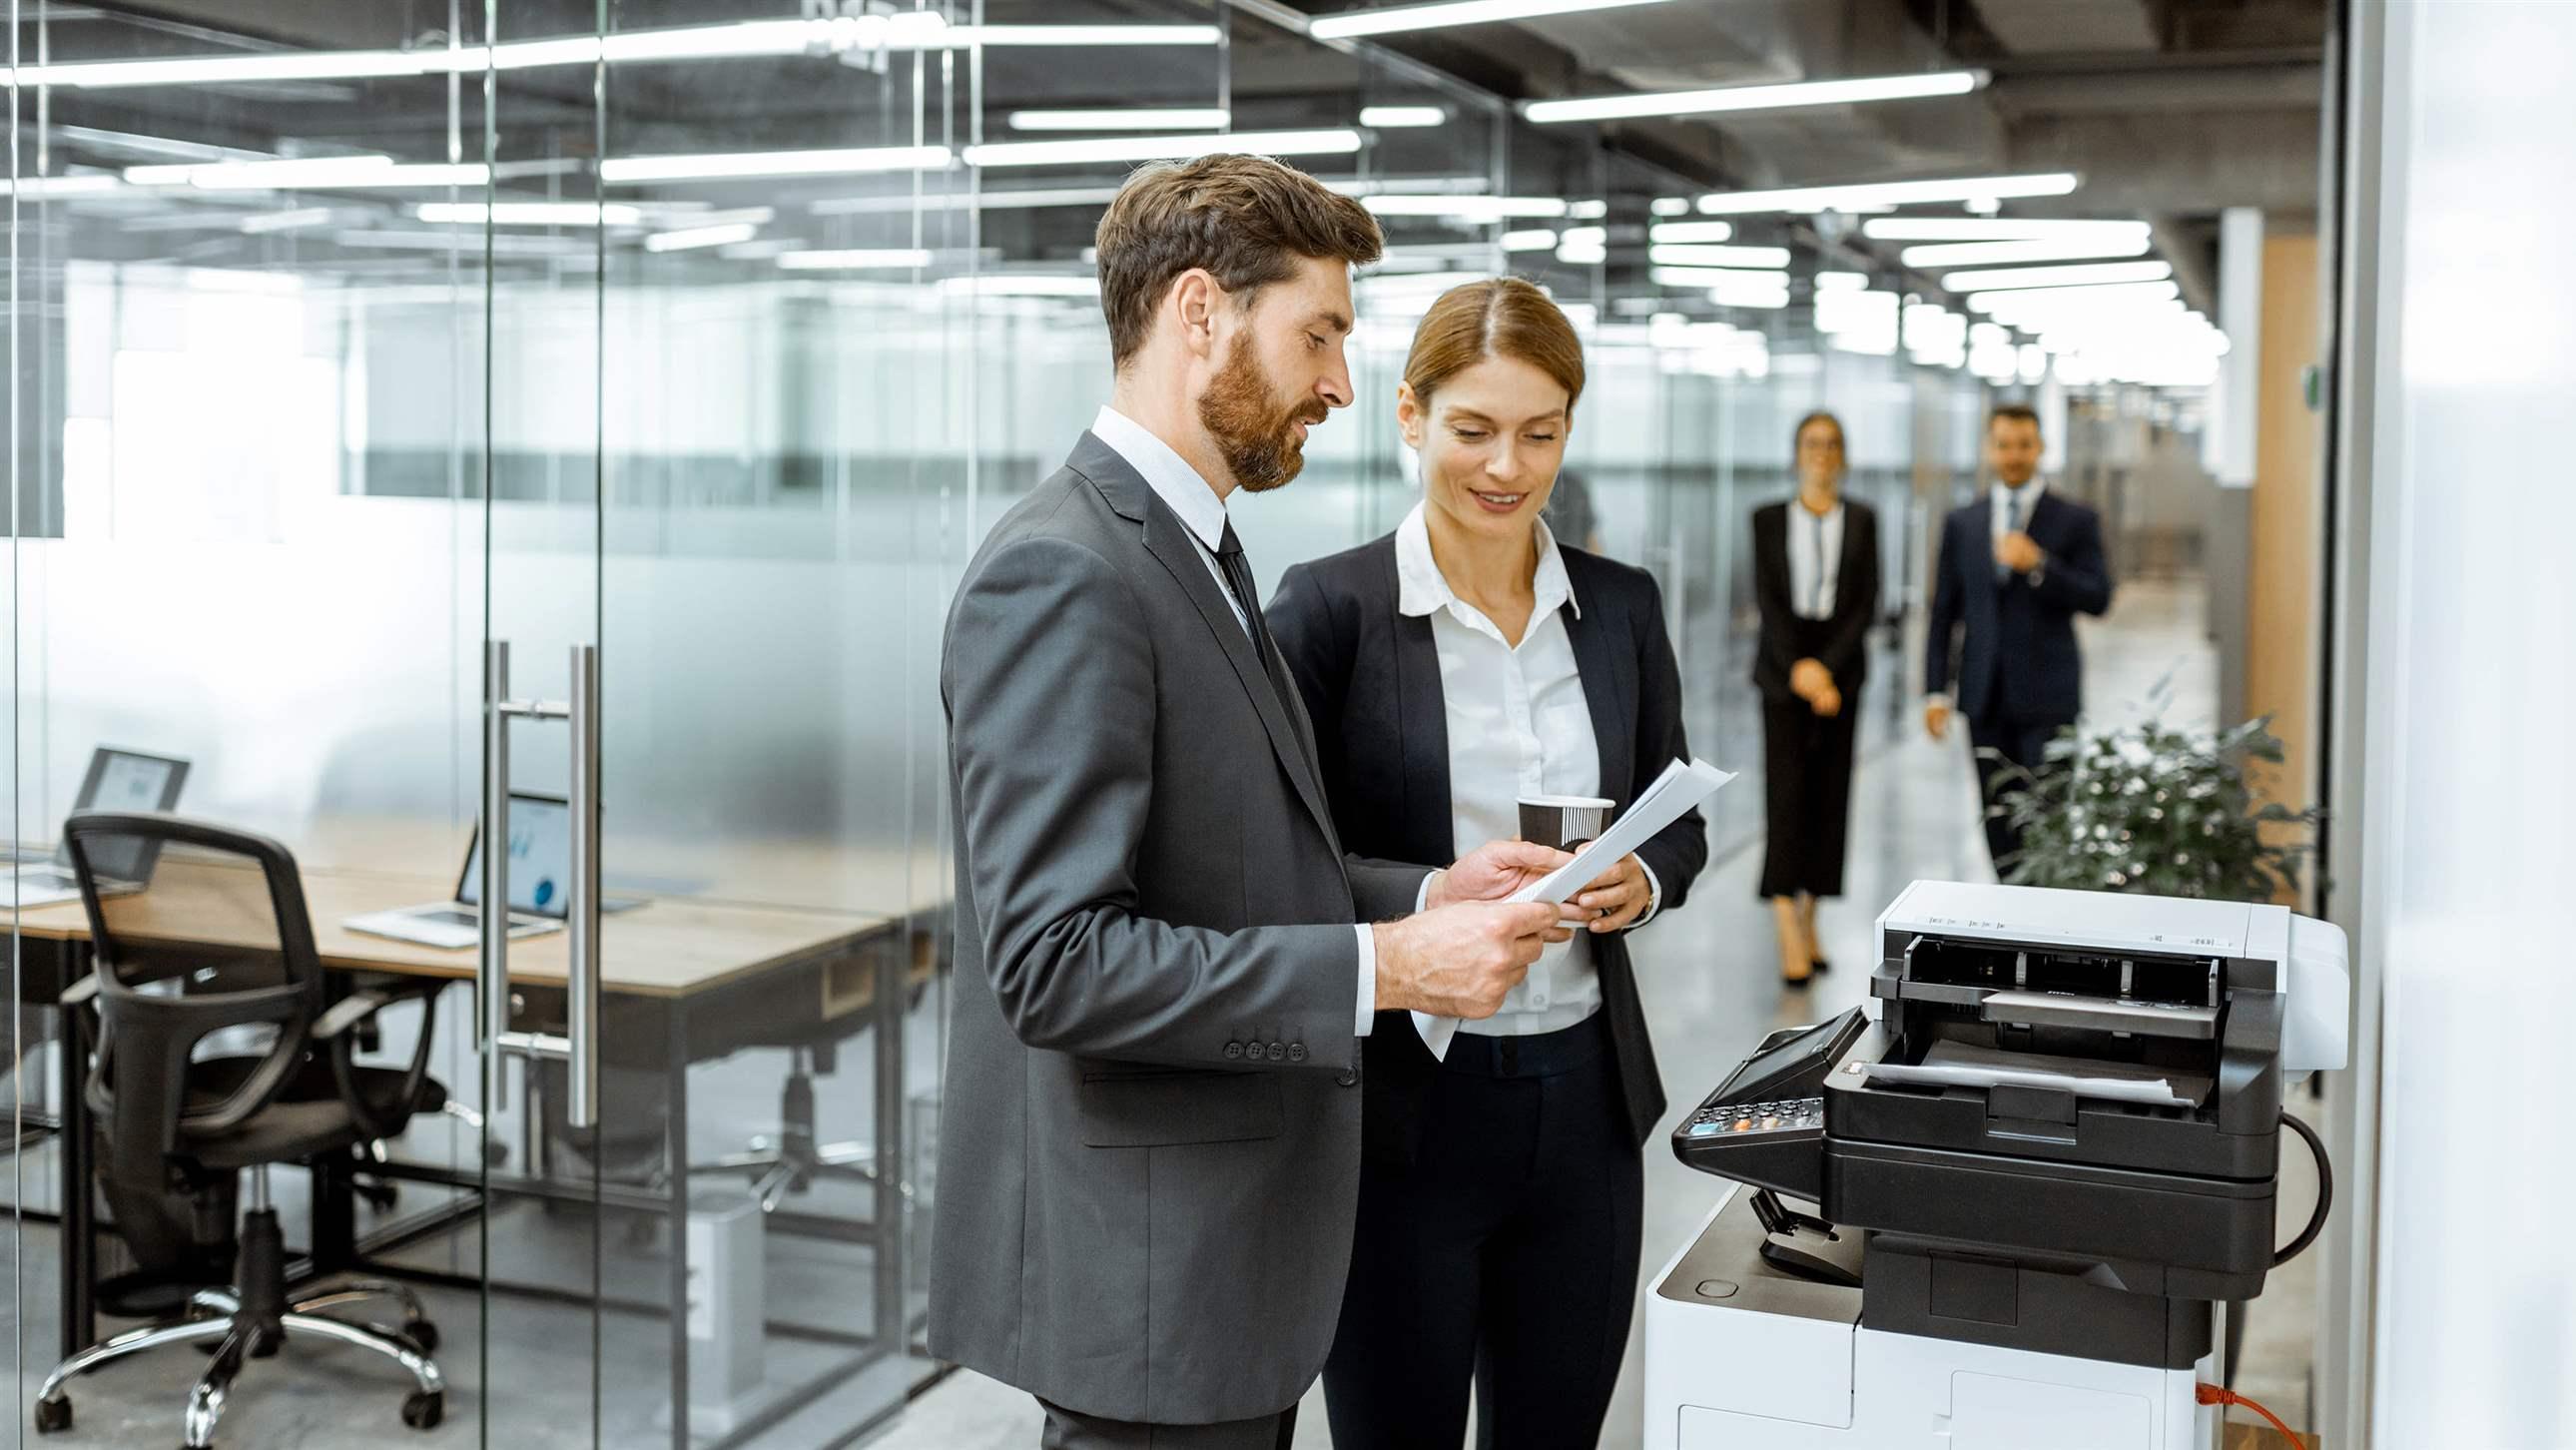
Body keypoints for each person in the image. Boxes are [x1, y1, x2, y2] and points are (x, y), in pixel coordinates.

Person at [929, 157, 1580, 1450]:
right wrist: (1388, 966)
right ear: (1200, 317)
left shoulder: (1200, 548)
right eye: (1320, 335)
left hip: (1227, 1282)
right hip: (1155, 1299)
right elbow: (1057, 967)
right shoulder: (1067, 572)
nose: (1341, 383)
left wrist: (1426, 896)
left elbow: (1235, 861)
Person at [1267, 277, 1708, 1450]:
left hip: (1586, 1110)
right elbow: (1276, 861)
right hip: (1404, 1115)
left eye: (1539, 432)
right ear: (1409, 417)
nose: (1505, 465)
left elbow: (1678, 813)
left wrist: (1644, 876)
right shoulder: (1330, 612)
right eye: (1472, 429)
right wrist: (1425, 902)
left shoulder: (1619, 608)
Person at [1924, 401, 2115, 871]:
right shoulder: (1963, 522)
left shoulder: (2075, 519)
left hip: (2049, 699)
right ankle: (2007, 928)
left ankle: (2042, 928)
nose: (2013, 455)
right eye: (2004, 445)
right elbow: (1944, 612)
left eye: (2024, 445)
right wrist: (1934, 690)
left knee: (2048, 822)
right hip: (1984, 699)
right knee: (1997, 820)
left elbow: (2098, 596)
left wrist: (2040, 566)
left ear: (2040, 448)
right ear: (1990, 449)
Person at [1750, 410, 1880, 985]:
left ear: (1843, 456)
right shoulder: (1768, 519)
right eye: (1811, 444)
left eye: (1832, 444)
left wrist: (1826, 670)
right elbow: (1768, 599)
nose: (1822, 453)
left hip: (1841, 668)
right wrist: (1800, 667)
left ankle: (1811, 917)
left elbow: (1864, 604)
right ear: (1797, 453)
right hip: (1783, 667)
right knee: (1786, 795)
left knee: (1831, 796)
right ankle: (1784, 922)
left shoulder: (1865, 520)